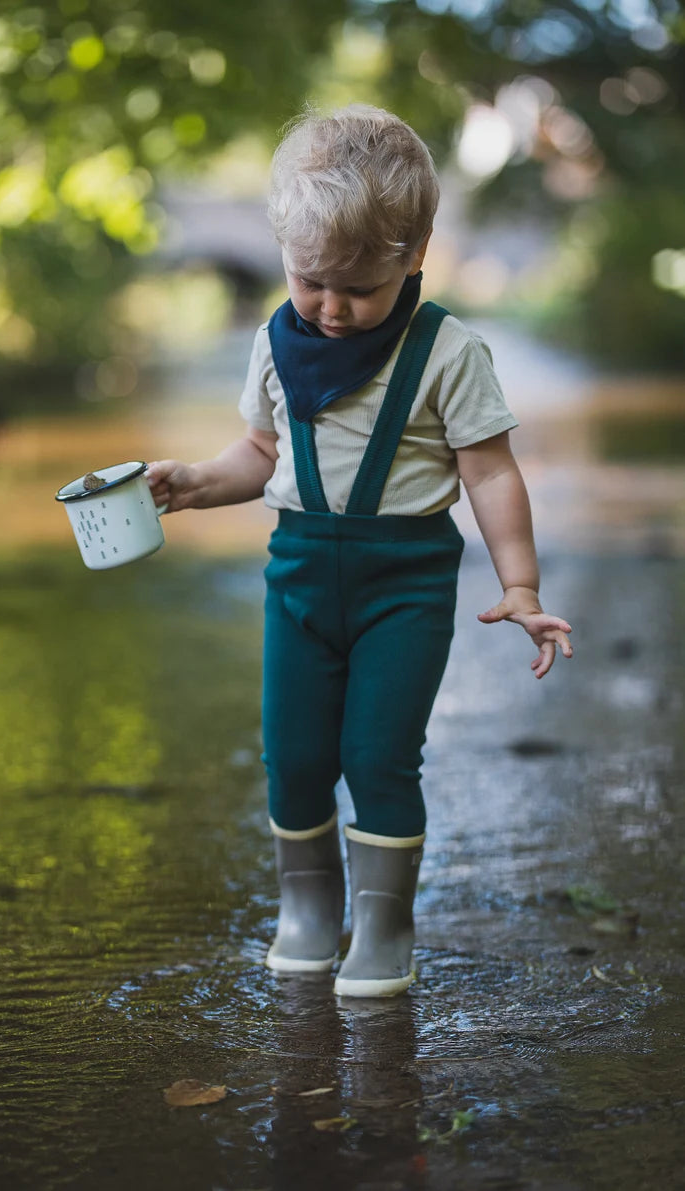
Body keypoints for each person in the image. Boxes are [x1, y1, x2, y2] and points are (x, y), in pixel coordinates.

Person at [145, 104, 573, 998]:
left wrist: (521, 584)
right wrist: (190, 482)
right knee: (293, 754)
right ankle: (306, 908)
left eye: (359, 289)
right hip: (297, 579)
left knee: (379, 755)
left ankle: (383, 925)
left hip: (404, 589)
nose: (333, 308)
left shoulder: (447, 352)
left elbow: (490, 473)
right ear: (284, 254)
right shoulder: (273, 341)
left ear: (413, 256)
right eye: (311, 282)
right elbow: (261, 456)